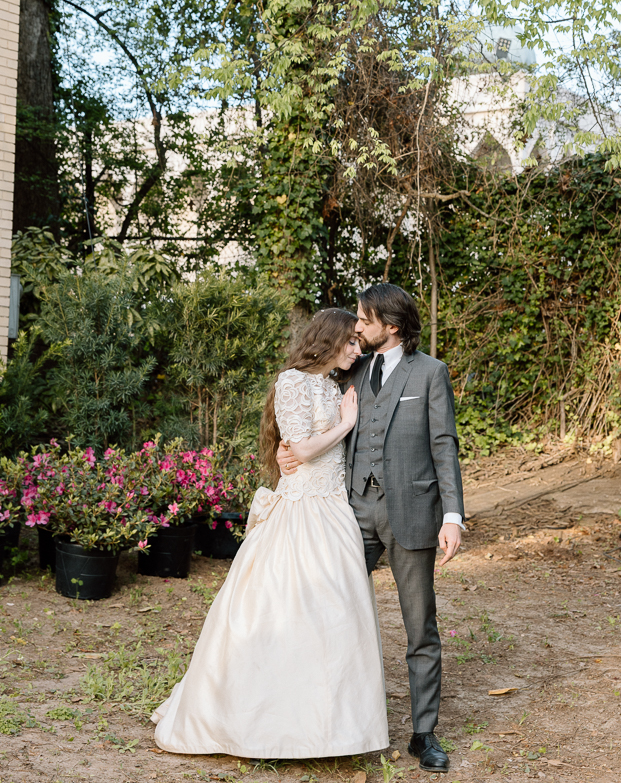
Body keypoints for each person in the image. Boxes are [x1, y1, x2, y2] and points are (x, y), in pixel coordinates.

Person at [151, 307, 389, 758]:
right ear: (330, 339)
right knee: (278, 609)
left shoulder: (334, 384)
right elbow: (300, 447)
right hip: (301, 510)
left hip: (334, 508)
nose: (358, 350)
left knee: (335, 615)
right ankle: (261, 722)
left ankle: (330, 728)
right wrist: (344, 424)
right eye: (351, 342)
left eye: (360, 343)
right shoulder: (293, 382)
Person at [278, 283, 464, 773]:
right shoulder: (351, 368)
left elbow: (445, 445)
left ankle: (424, 734)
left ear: (392, 325)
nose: (356, 327)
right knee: (327, 612)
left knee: (419, 626)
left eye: (364, 319)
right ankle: (322, 719)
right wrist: (286, 450)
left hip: (414, 514)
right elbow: (311, 420)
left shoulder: (431, 374)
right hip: (350, 512)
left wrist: (451, 517)